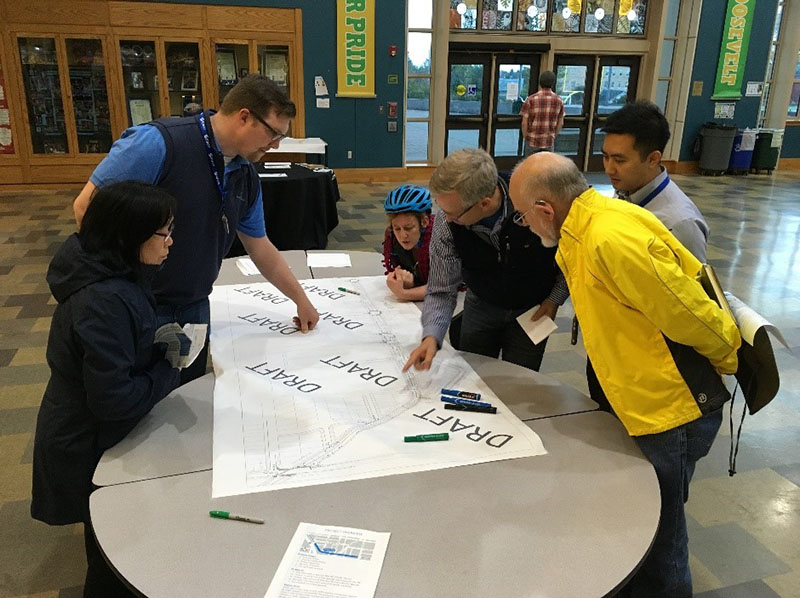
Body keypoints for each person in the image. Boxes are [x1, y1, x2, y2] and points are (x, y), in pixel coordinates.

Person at [509, 152, 741, 598]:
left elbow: (689, 312)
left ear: (545, 209)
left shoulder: (608, 237)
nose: (525, 225)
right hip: (638, 399)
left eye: (523, 216)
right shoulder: (581, 229)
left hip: (667, 408)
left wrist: (728, 356)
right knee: (642, 516)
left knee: (664, 536)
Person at [72, 75, 319, 385]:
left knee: (185, 394)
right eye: (273, 133)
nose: (276, 145)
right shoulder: (159, 144)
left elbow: (259, 246)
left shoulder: (244, 174)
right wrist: (119, 288)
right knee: (131, 397)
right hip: (138, 303)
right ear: (244, 117)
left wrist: (301, 299)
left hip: (194, 306)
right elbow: (86, 208)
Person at [32, 182, 186, 597]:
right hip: (86, 439)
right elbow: (113, 399)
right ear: (129, 235)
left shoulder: (112, 272)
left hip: (91, 426)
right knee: (112, 551)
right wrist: (168, 368)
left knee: (114, 537)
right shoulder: (103, 300)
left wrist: (153, 342)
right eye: (164, 233)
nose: (170, 243)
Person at [403, 148, 567, 373]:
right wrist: (431, 335)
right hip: (481, 303)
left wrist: (555, 299)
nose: (445, 218)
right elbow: (442, 288)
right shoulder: (447, 220)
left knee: (521, 379)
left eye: (453, 213)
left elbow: (573, 258)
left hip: (533, 309)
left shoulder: (538, 204)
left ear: (485, 203)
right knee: (473, 375)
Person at [602, 100, 709, 262]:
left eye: (619, 160)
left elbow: (693, 278)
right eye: (605, 157)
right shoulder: (625, 192)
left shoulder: (679, 224)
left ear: (653, 159)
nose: (609, 169)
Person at [382, 184, 435, 302]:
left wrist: (403, 293)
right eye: (397, 228)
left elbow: (442, 287)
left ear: (424, 222)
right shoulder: (391, 237)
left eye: (409, 228)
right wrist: (405, 280)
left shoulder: (440, 238)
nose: (403, 235)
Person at [519, 70, 564, 156]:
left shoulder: (531, 99)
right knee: (547, 164)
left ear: (540, 83)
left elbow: (524, 123)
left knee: (531, 163)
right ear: (553, 83)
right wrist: (553, 136)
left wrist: (526, 138)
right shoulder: (559, 101)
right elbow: (561, 123)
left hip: (532, 141)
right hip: (548, 142)